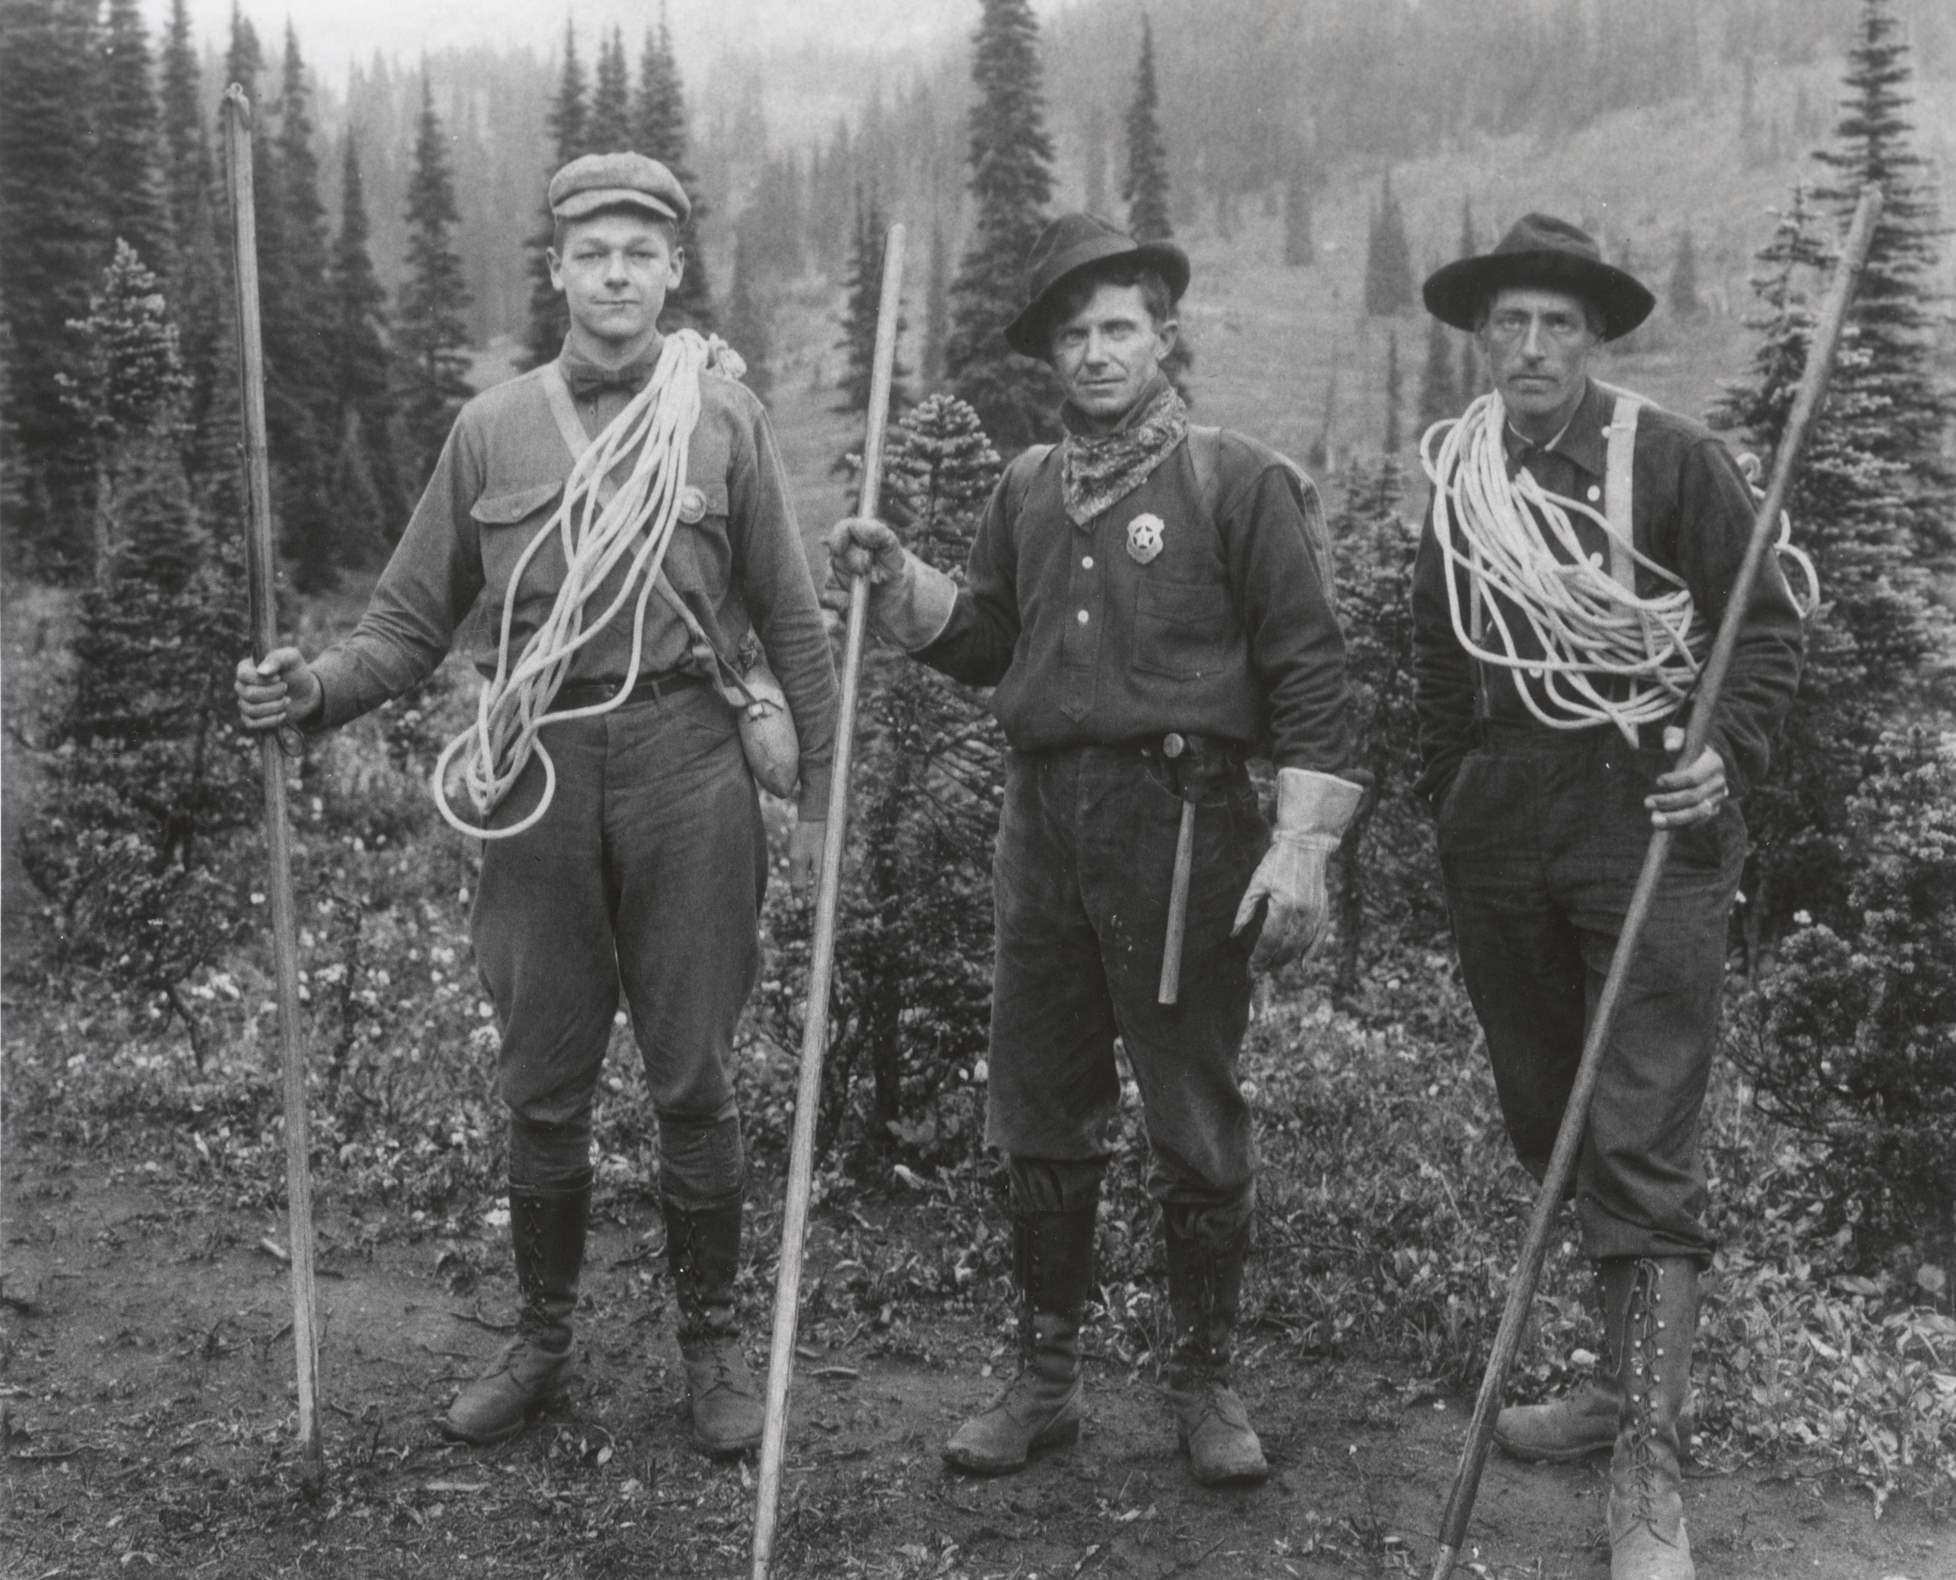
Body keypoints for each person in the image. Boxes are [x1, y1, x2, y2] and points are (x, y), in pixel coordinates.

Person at [234, 152, 839, 1456]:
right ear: (557, 268)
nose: (616, 274)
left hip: (690, 773)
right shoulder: (490, 431)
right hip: (537, 780)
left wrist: (823, 803)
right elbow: (404, 627)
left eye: (640, 252)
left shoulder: (724, 422)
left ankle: (713, 1353)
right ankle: (545, 1342)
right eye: (592, 252)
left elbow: (795, 625)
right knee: (544, 1085)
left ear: (672, 269)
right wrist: (315, 689)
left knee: (695, 1081)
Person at [828, 212, 1367, 1486]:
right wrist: (901, 577)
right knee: (1037, 1099)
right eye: (1069, 334)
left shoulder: (1237, 483)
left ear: (1163, 337)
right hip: (1041, 832)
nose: (1092, 352)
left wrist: (1298, 850)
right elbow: (985, 644)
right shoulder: (1024, 487)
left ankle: (1203, 1381)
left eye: (1116, 326)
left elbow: (1310, 676)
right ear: (1047, 357)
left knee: (1190, 1101)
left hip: (1180, 831)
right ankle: (1045, 1379)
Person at [1412, 214, 1806, 1580]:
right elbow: (1433, 662)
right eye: (1509, 324)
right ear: (1483, 336)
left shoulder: (1673, 461)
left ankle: (1650, 1469)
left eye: (1557, 326)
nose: (1529, 349)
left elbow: (1761, 626)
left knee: (1638, 1127)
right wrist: (1451, 806)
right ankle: (1608, 1389)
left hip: (1646, 809)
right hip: (1504, 828)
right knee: (1550, 1117)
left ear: (1594, 339)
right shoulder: (1463, 476)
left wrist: (1720, 756)